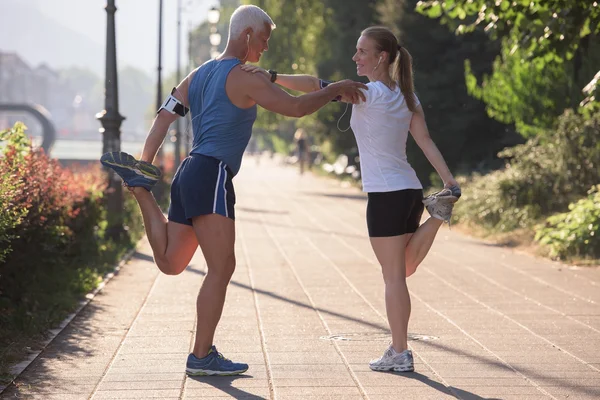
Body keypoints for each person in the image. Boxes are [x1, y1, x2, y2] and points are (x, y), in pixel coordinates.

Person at [100, 5, 367, 377]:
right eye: (264, 39)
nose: (265, 48)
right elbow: (295, 108)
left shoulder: (199, 74)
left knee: (171, 263)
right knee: (223, 266)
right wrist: (335, 88)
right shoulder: (245, 77)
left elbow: (163, 117)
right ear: (246, 36)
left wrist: (147, 160)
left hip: (189, 172)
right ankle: (201, 355)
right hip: (212, 175)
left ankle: (141, 187)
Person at [241, 26, 461, 373]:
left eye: (362, 51)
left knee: (394, 277)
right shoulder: (407, 97)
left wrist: (271, 76)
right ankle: (436, 214)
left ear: (381, 57)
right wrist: (449, 180)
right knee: (403, 268)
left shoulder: (366, 93)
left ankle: (400, 352)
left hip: (385, 195)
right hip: (408, 190)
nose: (355, 57)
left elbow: (315, 86)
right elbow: (426, 142)